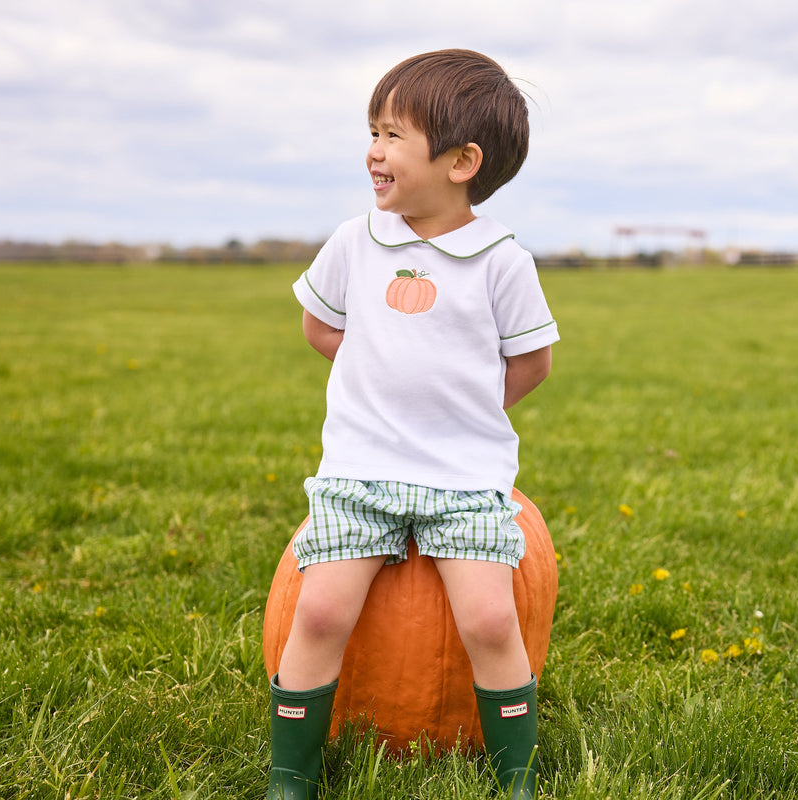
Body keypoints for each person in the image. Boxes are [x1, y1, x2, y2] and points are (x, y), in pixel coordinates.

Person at [265, 49, 557, 800]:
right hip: (360, 472)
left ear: (462, 161)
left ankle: (515, 778)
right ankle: (290, 777)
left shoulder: (500, 261)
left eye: (394, 134)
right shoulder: (355, 241)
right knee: (321, 609)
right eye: (373, 130)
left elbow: (530, 364)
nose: (374, 150)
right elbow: (320, 328)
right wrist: (379, 387)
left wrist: (459, 413)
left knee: (493, 621)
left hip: (464, 479)